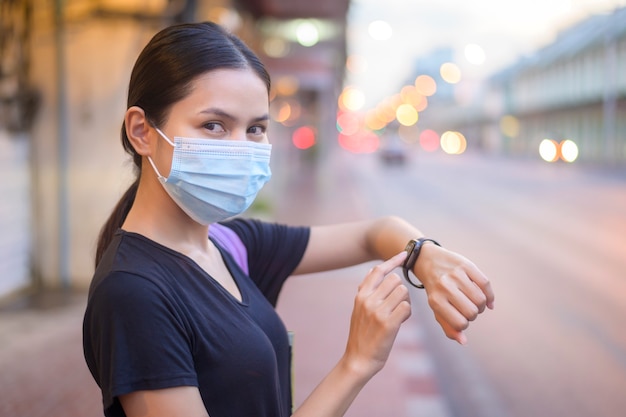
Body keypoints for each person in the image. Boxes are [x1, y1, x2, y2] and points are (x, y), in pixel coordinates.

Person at [82, 21, 494, 417]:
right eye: (214, 125)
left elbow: (374, 235)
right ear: (142, 131)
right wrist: (357, 362)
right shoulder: (133, 294)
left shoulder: (229, 245)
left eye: (256, 129)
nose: (241, 148)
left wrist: (425, 255)